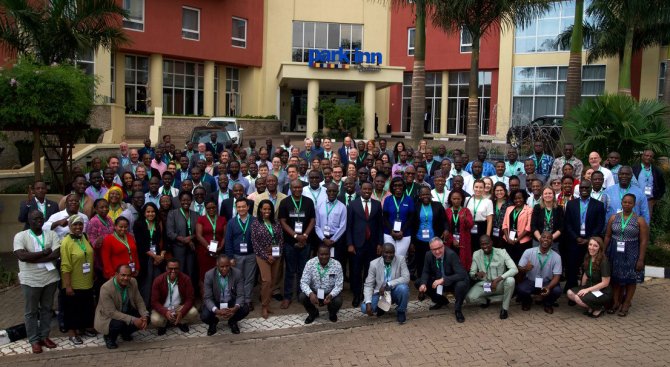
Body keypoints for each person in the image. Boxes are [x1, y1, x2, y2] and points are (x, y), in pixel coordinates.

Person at [14, 210, 61, 353]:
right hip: (30, 280)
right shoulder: (21, 236)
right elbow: (21, 255)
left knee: (47, 309)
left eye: (40, 218)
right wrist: (43, 253)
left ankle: (44, 336)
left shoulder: (51, 234)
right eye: (35, 219)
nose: (38, 220)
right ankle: (34, 340)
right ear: (29, 220)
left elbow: (56, 254)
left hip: (50, 278)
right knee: (31, 311)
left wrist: (33, 258)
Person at [604, 193, 649, 317]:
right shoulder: (614, 218)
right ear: (621, 203)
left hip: (631, 253)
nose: (627, 204)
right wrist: (604, 251)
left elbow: (644, 241)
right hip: (615, 251)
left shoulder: (639, 220)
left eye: (630, 203)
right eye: (625, 202)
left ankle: (626, 303)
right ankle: (616, 302)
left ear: (634, 204)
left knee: (630, 279)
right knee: (615, 279)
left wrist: (641, 259)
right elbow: (607, 236)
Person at [279, 179, 317, 309]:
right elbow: (282, 222)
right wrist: (296, 236)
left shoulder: (308, 202)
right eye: (294, 187)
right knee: (290, 270)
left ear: (302, 188)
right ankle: (287, 297)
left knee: (303, 270)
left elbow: (312, 220)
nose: (297, 190)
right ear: (290, 188)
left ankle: (302, 295)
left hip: (306, 241)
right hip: (290, 242)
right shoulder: (285, 202)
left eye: (299, 187)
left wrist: (304, 236)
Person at [563, 180, 606, 293]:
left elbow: (600, 224)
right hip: (574, 242)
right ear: (579, 189)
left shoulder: (599, 205)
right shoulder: (571, 204)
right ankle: (572, 291)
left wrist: (589, 239)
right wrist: (576, 237)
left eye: (587, 188)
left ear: (591, 189)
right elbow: (567, 223)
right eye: (582, 188)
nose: (584, 190)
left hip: (590, 243)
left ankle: (585, 292)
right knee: (572, 268)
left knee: (588, 268)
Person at [60, 215, 96, 344]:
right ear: (70, 226)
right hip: (73, 282)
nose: (78, 227)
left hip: (86, 281)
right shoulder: (66, 242)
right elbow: (65, 265)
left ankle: (83, 328)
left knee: (85, 306)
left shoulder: (84, 237)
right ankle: (72, 333)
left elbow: (89, 256)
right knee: (72, 308)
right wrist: (68, 285)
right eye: (75, 224)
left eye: (80, 224)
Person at [95, 264, 149, 349]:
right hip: (108, 316)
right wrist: (133, 320)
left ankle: (125, 332)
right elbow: (111, 313)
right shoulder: (106, 288)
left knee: (146, 316)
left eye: (128, 275)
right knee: (118, 324)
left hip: (124, 311)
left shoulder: (133, 281)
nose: (126, 278)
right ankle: (109, 337)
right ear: (116, 274)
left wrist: (144, 316)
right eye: (123, 275)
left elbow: (139, 301)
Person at [466, 235, 518, 319]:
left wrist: (497, 280)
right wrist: (476, 274)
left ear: (491, 243)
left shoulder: (502, 252)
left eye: (487, 244)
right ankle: (487, 300)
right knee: (469, 298)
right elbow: (472, 273)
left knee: (510, 280)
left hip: (499, 284)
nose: (485, 246)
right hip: (486, 285)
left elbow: (514, 269)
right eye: (482, 244)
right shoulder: (476, 254)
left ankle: (504, 309)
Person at [417, 237, 469, 323]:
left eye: (439, 248)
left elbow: (462, 274)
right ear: (430, 249)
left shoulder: (451, 254)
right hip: (438, 282)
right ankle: (441, 301)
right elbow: (425, 271)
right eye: (434, 249)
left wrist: (444, 279)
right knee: (419, 282)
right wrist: (423, 284)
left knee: (461, 285)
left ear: (443, 246)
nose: (437, 252)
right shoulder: (428, 255)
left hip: (452, 282)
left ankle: (458, 310)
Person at [251, 199, 284, 318]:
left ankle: (268, 304)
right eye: (264, 209)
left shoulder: (276, 222)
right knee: (266, 280)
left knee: (273, 282)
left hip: (275, 255)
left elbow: (280, 239)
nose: (267, 211)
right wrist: (266, 256)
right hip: (262, 255)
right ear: (260, 209)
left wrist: (276, 254)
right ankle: (264, 306)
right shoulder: (255, 223)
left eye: (269, 209)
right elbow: (255, 243)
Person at [201, 255, 250, 335]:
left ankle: (232, 321)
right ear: (217, 265)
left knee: (245, 308)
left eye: (227, 266)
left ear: (230, 265)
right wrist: (217, 311)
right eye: (222, 266)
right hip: (216, 302)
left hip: (231, 302)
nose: (225, 269)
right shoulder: (209, 275)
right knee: (204, 316)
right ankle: (213, 323)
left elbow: (240, 295)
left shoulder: (237, 273)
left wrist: (235, 308)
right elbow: (207, 298)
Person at [362, 243, 410, 323]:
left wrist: (388, 284)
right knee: (364, 308)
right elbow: (368, 285)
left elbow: (406, 278)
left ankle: (401, 311)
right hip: (380, 294)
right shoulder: (374, 264)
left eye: (391, 253)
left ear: (394, 253)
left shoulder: (401, 259)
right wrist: (368, 302)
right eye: (386, 252)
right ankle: (381, 308)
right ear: (381, 252)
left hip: (395, 291)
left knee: (404, 288)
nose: (389, 255)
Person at [516, 231, 562, 314]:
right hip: (531, 281)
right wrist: (525, 269)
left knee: (557, 290)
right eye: (544, 237)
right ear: (539, 239)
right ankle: (527, 301)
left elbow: (557, 277)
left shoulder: (557, 257)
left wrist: (548, 287)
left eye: (549, 238)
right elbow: (519, 268)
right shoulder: (528, 252)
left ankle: (548, 304)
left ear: (552, 242)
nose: (546, 240)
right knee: (520, 289)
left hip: (547, 282)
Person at [224, 198, 257, 311]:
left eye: (243, 206)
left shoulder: (254, 221)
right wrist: (230, 257)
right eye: (239, 207)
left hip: (251, 255)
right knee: (237, 279)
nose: (241, 209)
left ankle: (247, 300)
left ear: (248, 207)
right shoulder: (231, 222)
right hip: (236, 256)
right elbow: (228, 241)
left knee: (249, 279)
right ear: (236, 208)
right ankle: (239, 301)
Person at [150, 258, 198, 335]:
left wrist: (181, 312)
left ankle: (180, 322)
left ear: (179, 269)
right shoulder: (158, 280)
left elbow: (190, 299)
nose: (173, 271)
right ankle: (164, 325)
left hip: (178, 307)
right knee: (155, 320)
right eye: (170, 268)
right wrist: (165, 312)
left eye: (175, 268)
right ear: (166, 268)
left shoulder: (186, 279)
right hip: (164, 308)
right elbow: (154, 302)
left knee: (194, 312)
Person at [567, 237, 612, 318]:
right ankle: (591, 306)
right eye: (590, 244)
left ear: (600, 248)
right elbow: (586, 274)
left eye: (595, 246)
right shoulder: (588, 257)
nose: (591, 248)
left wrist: (587, 290)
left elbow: (605, 283)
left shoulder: (604, 261)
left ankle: (599, 308)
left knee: (578, 298)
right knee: (570, 293)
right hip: (590, 286)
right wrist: (582, 287)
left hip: (602, 291)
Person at [299, 245, 344, 324]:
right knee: (302, 296)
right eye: (321, 254)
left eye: (326, 254)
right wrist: (310, 294)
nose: (324, 257)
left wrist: (331, 295)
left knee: (338, 300)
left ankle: (332, 313)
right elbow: (304, 282)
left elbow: (339, 285)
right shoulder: (310, 263)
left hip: (329, 294)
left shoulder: (337, 265)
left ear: (330, 254)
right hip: (315, 293)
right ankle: (313, 313)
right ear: (317, 254)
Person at [133, 203, 166, 307]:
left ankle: (157, 305)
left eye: (153, 211)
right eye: (148, 212)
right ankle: (145, 307)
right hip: (145, 258)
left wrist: (161, 255)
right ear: (144, 213)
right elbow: (140, 244)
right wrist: (154, 256)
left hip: (159, 258)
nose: (150, 214)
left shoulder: (159, 223)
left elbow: (165, 240)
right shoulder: (138, 224)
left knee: (158, 281)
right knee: (146, 282)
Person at [167, 191, 200, 289]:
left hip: (192, 249)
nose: (186, 202)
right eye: (183, 200)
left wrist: (191, 238)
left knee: (190, 272)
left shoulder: (196, 214)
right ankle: (178, 295)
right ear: (180, 201)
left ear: (191, 201)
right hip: (178, 248)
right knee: (179, 272)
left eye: (188, 200)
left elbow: (198, 232)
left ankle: (190, 295)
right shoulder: (172, 213)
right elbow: (169, 232)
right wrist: (184, 240)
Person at [382, 177, 415, 257]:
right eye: (395, 185)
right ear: (392, 187)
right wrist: (391, 231)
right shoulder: (387, 199)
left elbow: (411, 218)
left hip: (404, 233)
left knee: (400, 257)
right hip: (389, 233)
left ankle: (399, 270)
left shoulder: (409, 199)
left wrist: (402, 231)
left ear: (403, 186)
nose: (397, 187)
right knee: (389, 256)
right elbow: (385, 217)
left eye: (400, 185)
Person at [502, 190, 533, 264]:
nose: (518, 200)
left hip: (522, 242)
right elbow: (504, 225)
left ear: (524, 198)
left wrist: (517, 239)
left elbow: (528, 228)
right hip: (508, 241)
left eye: (520, 198)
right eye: (515, 198)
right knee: (510, 263)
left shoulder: (529, 209)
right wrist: (507, 238)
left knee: (521, 263)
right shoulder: (509, 209)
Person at [445, 190, 474, 271]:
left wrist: (465, 219)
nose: (456, 201)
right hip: (450, 242)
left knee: (463, 262)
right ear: (450, 199)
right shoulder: (447, 211)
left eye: (458, 199)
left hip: (464, 241)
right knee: (450, 261)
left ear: (462, 199)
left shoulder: (466, 211)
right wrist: (452, 239)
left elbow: (470, 225)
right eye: (454, 199)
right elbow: (445, 228)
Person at [632, 150, 665, 219]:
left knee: (646, 221)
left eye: (650, 156)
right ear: (642, 157)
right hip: (635, 199)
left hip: (649, 201)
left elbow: (662, 186)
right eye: (646, 155)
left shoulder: (656, 170)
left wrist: (656, 199)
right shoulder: (634, 168)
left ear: (652, 158)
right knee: (634, 219)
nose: (648, 157)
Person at [531, 186, 564, 251]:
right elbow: (533, 225)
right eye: (545, 193)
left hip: (554, 241)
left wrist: (550, 239)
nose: (547, 195)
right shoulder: (537, 207)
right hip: (538, 240)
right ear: (542, 196)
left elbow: (561, 227)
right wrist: (541, 239)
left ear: (553, 195)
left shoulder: (559, 208)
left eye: (550, 193)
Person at [465, 180, 494, 254]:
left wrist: (488, 235)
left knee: (480, 250)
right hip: (469, 227)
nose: (478, 189)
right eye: (476, 187)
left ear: (484, 188)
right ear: (473, 188)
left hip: (482, 228)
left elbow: (489, 220)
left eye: (481, 187)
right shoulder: (467, 199)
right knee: (470, 249)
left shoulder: (488, 202)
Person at [491, 182, 509, 249]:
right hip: (493, 233)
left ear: (505, 191)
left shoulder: (509, 203)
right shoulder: (491, 202)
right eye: (497, 190)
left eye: (501, 190)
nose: (499, 192)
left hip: (505, 233)